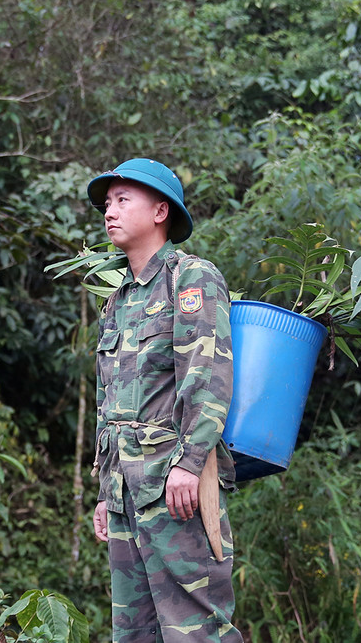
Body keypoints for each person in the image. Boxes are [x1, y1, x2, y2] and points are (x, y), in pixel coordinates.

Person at [86, 158, 243, 643]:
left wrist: (190, 463)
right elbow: (108, 401)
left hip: (174, 485)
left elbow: (208, 375)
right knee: (134, 632)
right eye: (107, 203)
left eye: (121, 200)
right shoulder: (119, 299)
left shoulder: (190, 278)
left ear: (159, 211)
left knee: (196, 630)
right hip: (126, 492)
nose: (109, 212)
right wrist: (104, 490)